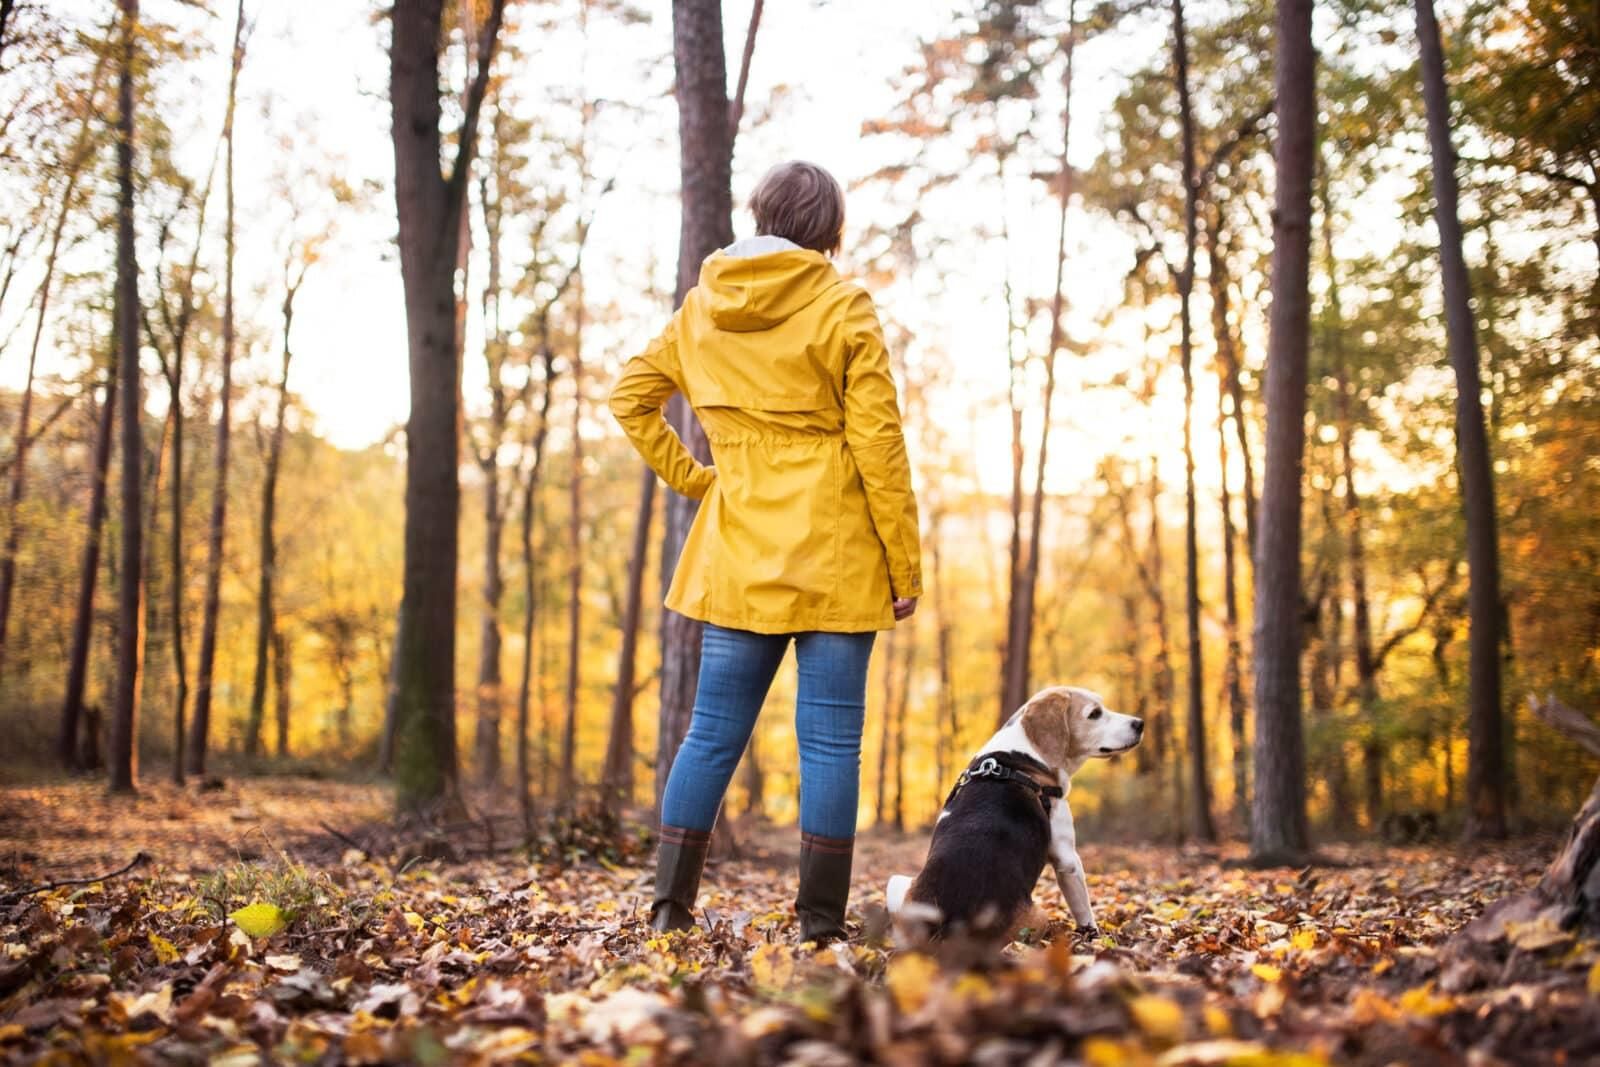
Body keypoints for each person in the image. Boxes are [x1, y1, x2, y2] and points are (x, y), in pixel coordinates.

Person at [609, 160, 923, 943]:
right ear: (831, 231)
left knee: (710, 733)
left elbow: (630, 397)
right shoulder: (843, 305)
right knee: (829, 744)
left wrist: (698, 479)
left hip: (740, 549)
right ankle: (817, 926)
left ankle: (667, 912)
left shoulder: (702, 307)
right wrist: (903, 565)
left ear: (759, 213)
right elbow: (879, 444)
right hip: (837, 554)